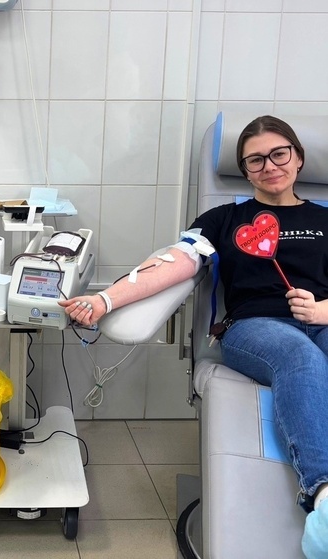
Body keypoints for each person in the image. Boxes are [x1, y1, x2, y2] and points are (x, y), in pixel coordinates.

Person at [59, 115, 328, 557]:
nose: (269, 166)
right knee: (301, 358)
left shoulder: (325, 219)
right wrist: (105, 299)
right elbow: (174, 263)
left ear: (298, 158)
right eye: (255, 160)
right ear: (245, 172)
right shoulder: (225, 219)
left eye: (279, 154)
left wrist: (321, 310)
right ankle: (322, 496)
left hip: (323, 318)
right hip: (257, 329)